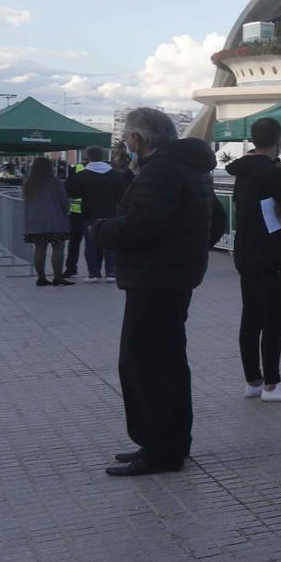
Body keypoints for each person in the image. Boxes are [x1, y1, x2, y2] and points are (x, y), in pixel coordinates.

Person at [92, 107, 227, 477]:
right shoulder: (191, 168)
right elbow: (217, 217)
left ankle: (158, 450)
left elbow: (141, 226)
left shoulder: (161, 171)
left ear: (137, 140)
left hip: (154, 279)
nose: (126, 145)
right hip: (174, 277)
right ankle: (170, 443)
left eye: (127, 139)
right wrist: (190, 250)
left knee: (144, 365)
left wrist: (102, 230)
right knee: (168, 362)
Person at [228, 116, 281, 404]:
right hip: (270, 254)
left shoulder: (242, 172)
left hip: (245, 252)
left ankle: (253, 379)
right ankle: (273, 384)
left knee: (250, 316)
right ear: (279, 142)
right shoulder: (275, 174)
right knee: (275, 317)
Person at [68, 146, 126, 281]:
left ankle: (93, 273)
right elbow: (122, 196)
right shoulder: (116, 175)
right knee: (110, 243)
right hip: (110, 213)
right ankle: (111, 272)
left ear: (88, 156)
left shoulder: (82, 175)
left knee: (91, 244)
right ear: (103, 156)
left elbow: (73, 193)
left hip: (89, 213)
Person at [21, 157, 72, 286]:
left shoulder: (28, 183)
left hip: (35, 222)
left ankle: (41, 278)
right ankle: (57, 277)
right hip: (55, 220)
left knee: (39, 248)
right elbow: (64, 201)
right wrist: (67, 210)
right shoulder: (54, 182)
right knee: (58, 247)